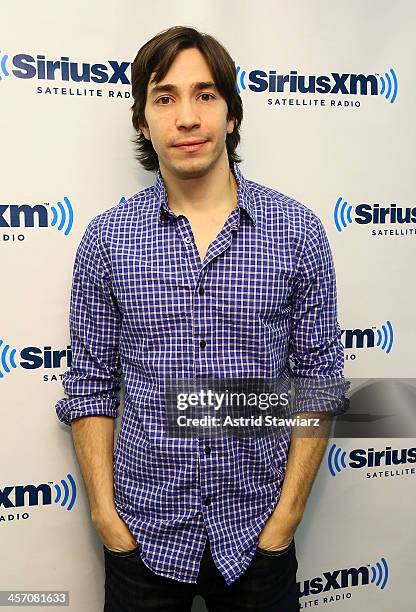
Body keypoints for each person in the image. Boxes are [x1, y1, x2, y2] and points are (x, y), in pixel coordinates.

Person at [55, 25, 349, 612]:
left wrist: (284, 521)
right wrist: (107, 517)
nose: (186, 117)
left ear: (231, 114)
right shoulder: (108, 240)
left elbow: (318, 381)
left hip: (258, 537)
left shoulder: (297, 232)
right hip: (143, 538)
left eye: (205, 94)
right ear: (143, 121)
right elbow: (89, 385)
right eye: (164, 97)